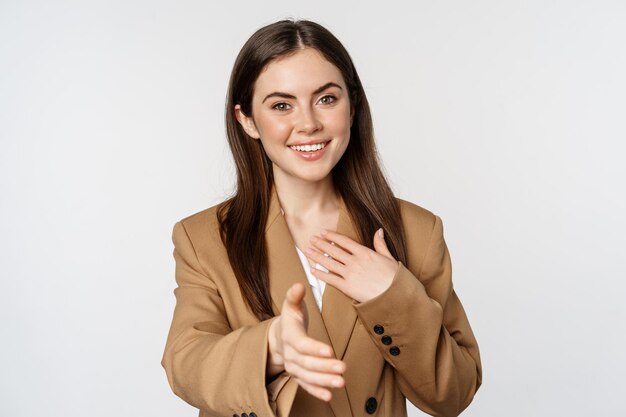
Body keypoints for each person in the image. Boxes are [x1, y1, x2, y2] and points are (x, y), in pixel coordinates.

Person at [161, 18, 482, 417]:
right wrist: (272, 347)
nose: (309, 123)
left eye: (326, 99)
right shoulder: (205, 237)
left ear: (353, 105)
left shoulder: (416, 230)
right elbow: (185, 363)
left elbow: (455, 393)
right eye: (281, 105)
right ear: (246, 120)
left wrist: (392, 295)